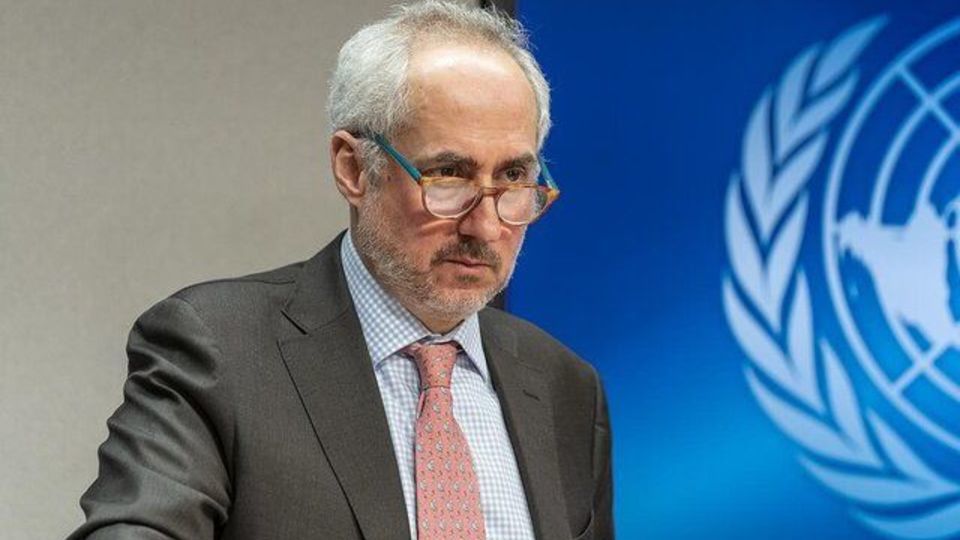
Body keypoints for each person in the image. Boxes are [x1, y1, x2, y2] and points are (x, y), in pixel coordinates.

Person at [69, 2, 612, 539]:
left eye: (513, 177)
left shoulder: (566, 388)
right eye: (448, 174)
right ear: (353, 169)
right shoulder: (217, 350)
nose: (486, 226)